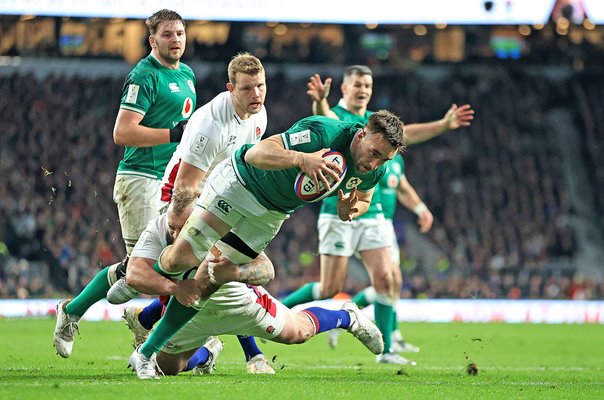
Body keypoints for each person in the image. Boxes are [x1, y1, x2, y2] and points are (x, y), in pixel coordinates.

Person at [128, 109, 407, 379]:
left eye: (384, 160)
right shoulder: (323, 133)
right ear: (361, 136)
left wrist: (349, 210)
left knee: (208, 278)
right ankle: (128, 272)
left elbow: (364, 198)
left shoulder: (373, 170)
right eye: (374, 154)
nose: (375, 164)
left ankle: (145, 353)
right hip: (240, 183)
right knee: (181, 260)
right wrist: (302, 159)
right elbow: (255, 153)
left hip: (271, 215)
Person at [281, 65, 474, 365]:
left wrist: (443, 125)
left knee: (387, 277)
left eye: (368, 85)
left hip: (372, 213)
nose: (363, 89)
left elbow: (407, 136)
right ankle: (278, 309)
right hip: (336, 211)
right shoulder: (341, 119)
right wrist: (319, 102)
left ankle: (386, 350)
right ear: (344, 88)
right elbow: (325, 118)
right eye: (358, 84)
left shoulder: (377, 124)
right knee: (330, 288)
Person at [110, 52, 273, 374]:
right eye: (247, 89)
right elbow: (185, 184)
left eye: (260, 86)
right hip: (180, 200)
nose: (256, 95)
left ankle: (143, 314)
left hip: (221, 199)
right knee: (208, 270)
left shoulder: (259, 115)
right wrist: (181, 229)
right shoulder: (211, 124)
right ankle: (136, 283)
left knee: (224, 269)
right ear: (230, 88)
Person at [53, 9, 196, 359]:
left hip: (174, 182)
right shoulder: (144, 76)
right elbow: (122, 132)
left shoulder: (188, 74)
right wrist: (173, 134)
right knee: (141, 269)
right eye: (167, 34)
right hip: (141, 179)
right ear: (152, 40)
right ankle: (72, 311)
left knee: (179, 259)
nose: (175, 39)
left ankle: (153, 328)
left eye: (179, 33)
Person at [123, 187, 384, 379]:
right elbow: (135, 274)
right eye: (172, 228)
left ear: (200, 218)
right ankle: (209, 351)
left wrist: (236, 273)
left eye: (184, 228)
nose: (177, 236)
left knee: (299, 333)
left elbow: (266, 269)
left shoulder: (223, 230)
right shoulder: (158, 232)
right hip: (191, 314)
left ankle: (348, 317)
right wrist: (174, 288)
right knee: (167, 368)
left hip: (241, 303)